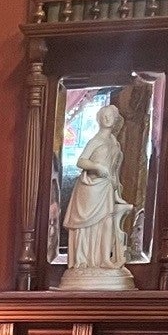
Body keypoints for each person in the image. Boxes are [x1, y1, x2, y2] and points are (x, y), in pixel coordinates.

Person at [61, 103, 133, 286]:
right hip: (90, 187)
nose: (106, 118)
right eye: (104, 115)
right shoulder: (96, 140)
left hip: (106, 187)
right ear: (99, 118)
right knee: (87, 226)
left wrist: (117, 194)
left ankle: (103, 259)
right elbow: (81, 161)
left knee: (107, 221)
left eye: (110, 116)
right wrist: (97, 167)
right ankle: (83, 260)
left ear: (116, 120)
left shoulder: (114, 143)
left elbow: (115, 171)